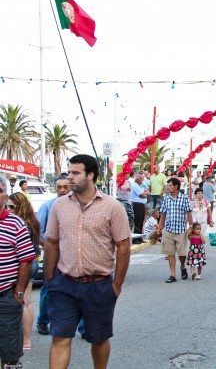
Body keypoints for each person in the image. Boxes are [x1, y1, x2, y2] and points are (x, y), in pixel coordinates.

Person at [45, 154, 131, 368]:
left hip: (99, 285)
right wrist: (50, 281)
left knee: (98, 338)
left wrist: (116, 285)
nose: (70, 177)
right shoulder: (59, 206)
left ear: (90, 175)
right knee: (60, 337)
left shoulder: (112, 207)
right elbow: (51, 243)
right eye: (69, 172)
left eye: (76, 173)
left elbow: (123, 246)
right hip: (64, 284)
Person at [0, 177, 36, 369]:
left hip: (6, 295)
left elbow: (26, 259)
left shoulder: (16, 224)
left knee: (10, 352)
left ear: (5, 195)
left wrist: (19, 292)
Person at [36, 174, 71, 336]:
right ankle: (43, 321)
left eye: (66, 187)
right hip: (53, 257)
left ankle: (84, 328)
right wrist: (51, 250)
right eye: (59, 187)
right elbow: (39, 233)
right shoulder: (47, 207)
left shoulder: (78, 207)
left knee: (79, 290)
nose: (63, 190)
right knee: (48, 288)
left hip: (73, 258)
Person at [7, 192, 40, 351]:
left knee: (25, 301)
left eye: (12, 207)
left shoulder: (21, 224)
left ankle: (26, 340)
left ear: (20, 206)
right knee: (26, 301)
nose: (9, 209)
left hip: (26, 264)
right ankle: (25, 339)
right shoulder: (32, 221)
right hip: (32, 263)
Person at [159, 177, 193, 283]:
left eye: (170, 185)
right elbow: (163, 213)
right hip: (168, 230)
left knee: (182, 254)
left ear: (176, 186)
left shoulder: (184, 198)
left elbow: (189, 213)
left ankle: (182, 266)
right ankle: (172, 274)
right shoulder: (166, 199)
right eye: (168, 185)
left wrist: (190, 227)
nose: (168, 187)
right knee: (170, 253)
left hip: (181, 230)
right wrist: (160, 227)